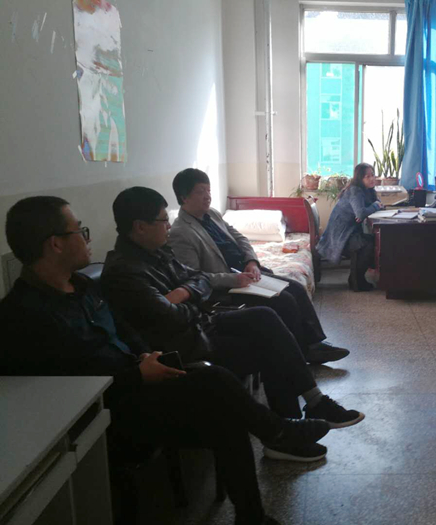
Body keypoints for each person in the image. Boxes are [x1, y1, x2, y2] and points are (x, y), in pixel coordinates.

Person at [0, 196, 332, 525]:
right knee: (217, 382)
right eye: (79, 231)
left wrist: (144, 354)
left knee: (227, 404)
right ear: (56, 244)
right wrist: (136, 374)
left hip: (142, 372)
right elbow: (68, 391)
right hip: (112, 410)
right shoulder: (24, 317)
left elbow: (124, 327)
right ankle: (278, 432)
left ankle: (254, 508)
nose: (87, 239)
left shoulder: (81, 285)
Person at [100, 187, 365, 461]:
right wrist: (192, 297)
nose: (167, 225)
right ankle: (284, 432)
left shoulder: (157, 252)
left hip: (198, 323)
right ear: (140, 227)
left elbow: (198, 278)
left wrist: (182, 293)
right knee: (270, 344)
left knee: (265, 317)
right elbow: (172, 316)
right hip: (184, 343)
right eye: (162, 220)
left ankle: (311, 404)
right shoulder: (125, 272)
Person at [167, 168, 348, 365]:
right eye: (200, 192)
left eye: (208, 190)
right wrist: (233, 279)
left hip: (246, 271)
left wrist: (251, 262)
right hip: (227, 287)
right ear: (184, 197)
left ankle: (314, 344)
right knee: (284, 300)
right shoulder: (181, 232)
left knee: (295, 287)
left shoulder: (212, 214)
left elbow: (240, 238)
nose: (207, 196)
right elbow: (194, 278)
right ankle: (303, 352)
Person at [316, 163, 383, 291]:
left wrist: (374, 206)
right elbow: (361, 213)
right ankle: (356, 282)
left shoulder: (366, 190)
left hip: (350, 232)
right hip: (340, 236)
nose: (372, 179)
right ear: (360, 178)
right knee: (367, 245)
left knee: (375, 240)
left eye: (373, 175)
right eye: (367, 176)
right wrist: (374, 207)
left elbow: (372, 206)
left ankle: (359, 278)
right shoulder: (355, 190)